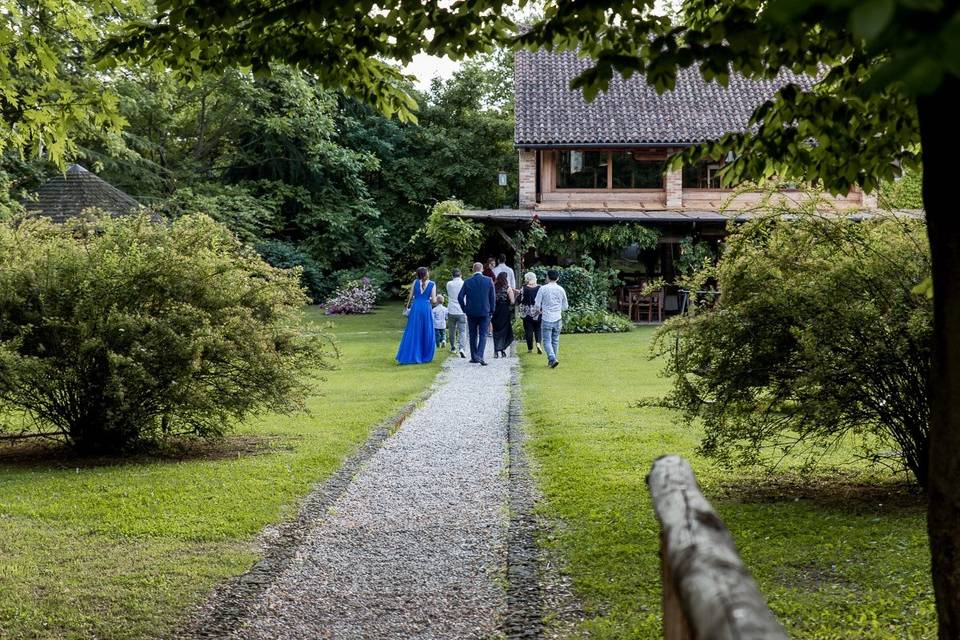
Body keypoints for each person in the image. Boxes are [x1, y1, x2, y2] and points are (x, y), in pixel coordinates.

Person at [396, 267, 438, 365]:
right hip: (426, 308)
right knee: (426, 330)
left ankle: (411, 355)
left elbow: (410, 296)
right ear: (425, 274)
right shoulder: (432, 284)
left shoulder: (415, 282)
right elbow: (434, 301)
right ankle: (425, 355)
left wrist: (407, 307)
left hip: (416, 307)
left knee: (413, 330)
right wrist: (434, 298)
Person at [457, 262, 496, 366]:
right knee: (483, 334)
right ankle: (479, 355)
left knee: (472, 334)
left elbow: (460, 297)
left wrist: (464, 308)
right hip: (485, 311)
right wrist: (492, 310)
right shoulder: (488, 281)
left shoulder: (467, 282)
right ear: (482, 269)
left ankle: (474, 357)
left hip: (471, 312)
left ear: (473, 270)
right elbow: (492, 297)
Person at [534, 269, 569, 368]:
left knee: (546, 341)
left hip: (547, 317)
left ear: (547, 277)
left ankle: (552, 358)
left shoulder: (543, 289)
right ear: (558, 278)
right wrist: (558, 309)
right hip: (558, 317)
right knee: (555, 340)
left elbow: (537, 304)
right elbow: (565, 306)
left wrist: (539, 310)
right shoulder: (561, 289)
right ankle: (553, 359)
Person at [491, 271, 515, 358]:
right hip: (504, 311)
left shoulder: (493, 287)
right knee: (504, 330)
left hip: (495, 310)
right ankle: (502, 350)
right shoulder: (508, 288)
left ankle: (495, 350)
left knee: (496, 330)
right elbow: (512, 301)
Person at [445, 268, 468, 358]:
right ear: (461, 275)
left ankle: (453, 347)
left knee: (452, 330)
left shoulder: (449, 284)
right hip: (462, 310)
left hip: (451, 309)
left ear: (452, 275)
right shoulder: (464, 283)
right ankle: (462, 348)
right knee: (462, 330)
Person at [519, 272, 542, 354]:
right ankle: (538, 343)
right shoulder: (540, 287)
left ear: (527, 279)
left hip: (527, 312)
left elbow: (520, 300)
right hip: (538, 312)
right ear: (535, 278)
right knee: (538, 329)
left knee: (528, 330)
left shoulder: (524, 288)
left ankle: (530, 348)